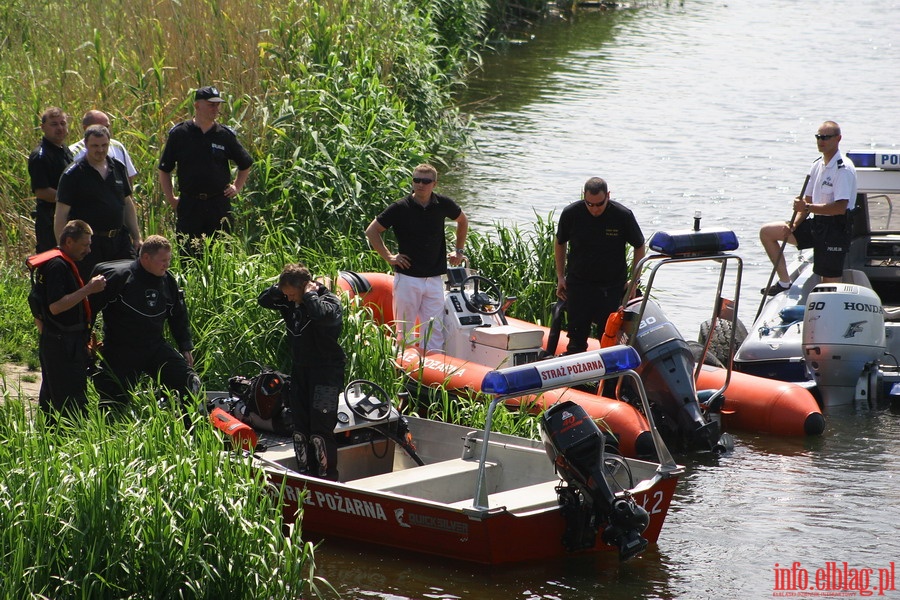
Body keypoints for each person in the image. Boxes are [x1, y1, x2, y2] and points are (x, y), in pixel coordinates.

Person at [365, 163, 468, 352]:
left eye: (426, 181)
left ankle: (432, 371)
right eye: (416, 180)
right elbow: (372, 231)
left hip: (435, 278)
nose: (420, 184)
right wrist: (389, 257)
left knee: (435, 329)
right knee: (405, 329)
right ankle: (406, 370)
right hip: (407, 278)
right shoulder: (400, 207)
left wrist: (458, 251)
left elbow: (462, 220)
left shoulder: (443, 204)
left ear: (434, 184)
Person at [258, 264, 346, 480]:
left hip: (326, 374)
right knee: (300, 429)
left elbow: (323, 317)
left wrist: (309, 296)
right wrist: (281, 289)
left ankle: (327, 478)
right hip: (301, 372)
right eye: (286, 295)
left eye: (292, 294)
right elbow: (264, 300)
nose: (288, 300)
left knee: (320, 431)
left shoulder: (328, 301)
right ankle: (305, 473)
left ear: (306, 287)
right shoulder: (291, 303)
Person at [90, 235, 199, 405]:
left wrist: (185, 346)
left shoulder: (167, 280)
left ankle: (185, 423)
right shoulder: (119, 277)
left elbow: (178, 315)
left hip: (154, 345)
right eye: (162, 260)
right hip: (121, 348)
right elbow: (88, 309)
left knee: (187, 380)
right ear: (146, 257)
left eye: (169, 260)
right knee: (113, 401)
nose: (167, 265)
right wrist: (84, 339)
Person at [759, 121, 858, 295]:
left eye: (826, 137)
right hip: (817, 223)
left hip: (836, 228)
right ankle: (784, 282)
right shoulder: (817, 164)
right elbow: (807, 201)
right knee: (768, 232)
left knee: (827, 283)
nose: (821, 141)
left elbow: (840, 208)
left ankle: (830, 317)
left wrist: (807, 207)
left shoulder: (843, 169)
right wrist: (794, 225)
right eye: (819, 137)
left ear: (838, 139)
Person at [555, 177, 645, 355]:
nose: (594, 209)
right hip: (579, 284)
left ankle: (608, 381)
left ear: (608, 196)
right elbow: (560, 242)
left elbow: (639, 245)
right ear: (584, 197)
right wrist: (560, 276)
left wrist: (634, 281)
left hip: (611, 286)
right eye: (589, 204)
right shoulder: (572, 213)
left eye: (599, 204)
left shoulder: (622, 215)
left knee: (609, 339)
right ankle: (578, 378)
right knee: (576, 340)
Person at [157, 85, 253, 253]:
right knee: (188, 255)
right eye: (211, 104)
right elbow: (165, 169)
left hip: (218, 204)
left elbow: (245, 164)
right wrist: (171, 198)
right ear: (197, 105)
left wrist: (236, 187)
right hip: (190, 204)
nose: (215, 109)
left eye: (217, 105)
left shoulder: (224, 135)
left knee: (221, 255)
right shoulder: (180, 134)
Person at [35, 220, 107, 416]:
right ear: (68, 241)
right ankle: (73, 440)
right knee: (72, 403)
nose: (89, 250)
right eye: (85, 245)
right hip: (62, 345)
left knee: (51, 399)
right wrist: (89, 289)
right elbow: (55, 307)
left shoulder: (61, 263)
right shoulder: (57, 266)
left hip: (61, 341)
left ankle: (49, 438)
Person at [55, 124, 143, 281]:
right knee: (93, 289)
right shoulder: (73, 174)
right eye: (95, 146)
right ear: (86, 145)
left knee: (128, 282)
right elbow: (61, 214)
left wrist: (136, 237)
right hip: (88, 244)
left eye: (104, 145)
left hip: (119, 241)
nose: (100, 150)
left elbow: (127, 203)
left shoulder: (118, 167)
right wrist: (63, 250)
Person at [28, 107, 74, 252]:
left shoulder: (65, 150)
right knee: (54, 261)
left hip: (68, 217)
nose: (60, 128)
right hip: (49, 219)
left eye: (63, 123)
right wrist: (72, 200)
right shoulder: (40, 156)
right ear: (43, 128)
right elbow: (42, 191)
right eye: (54, 124)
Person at [69, 110, 138, 183]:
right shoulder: (73, 153)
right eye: (99, 128)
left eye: (107, 127)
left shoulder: (118, 147)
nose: (104, 131)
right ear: (85, 128)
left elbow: (129, 177)